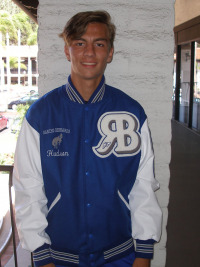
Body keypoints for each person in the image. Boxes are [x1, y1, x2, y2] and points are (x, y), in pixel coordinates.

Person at [13, 10, 162, 267]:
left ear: (111, 52)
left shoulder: (132, 113)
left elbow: (143, 185)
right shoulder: (41, 115)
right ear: (67, 51)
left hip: (121, 256)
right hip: (57, 258)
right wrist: (40, 253)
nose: (89, 52)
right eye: (80, 43)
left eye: (99, 44)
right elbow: (28, 189)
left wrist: (144, 253)